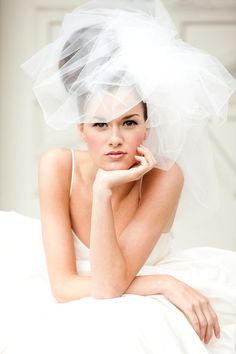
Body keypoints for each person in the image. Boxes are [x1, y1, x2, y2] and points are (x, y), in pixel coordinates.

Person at [2, 0, 236, 353]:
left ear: (146, 126)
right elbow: (65, 286)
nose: (115, 138)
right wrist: (162, 282)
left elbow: (110, 285)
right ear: (81, 129)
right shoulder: (57, 165)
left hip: (118, 288)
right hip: (81, 287)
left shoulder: (165, 176)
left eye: (129, 122)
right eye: (100, 124)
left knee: (126, 331)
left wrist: (103, 191)